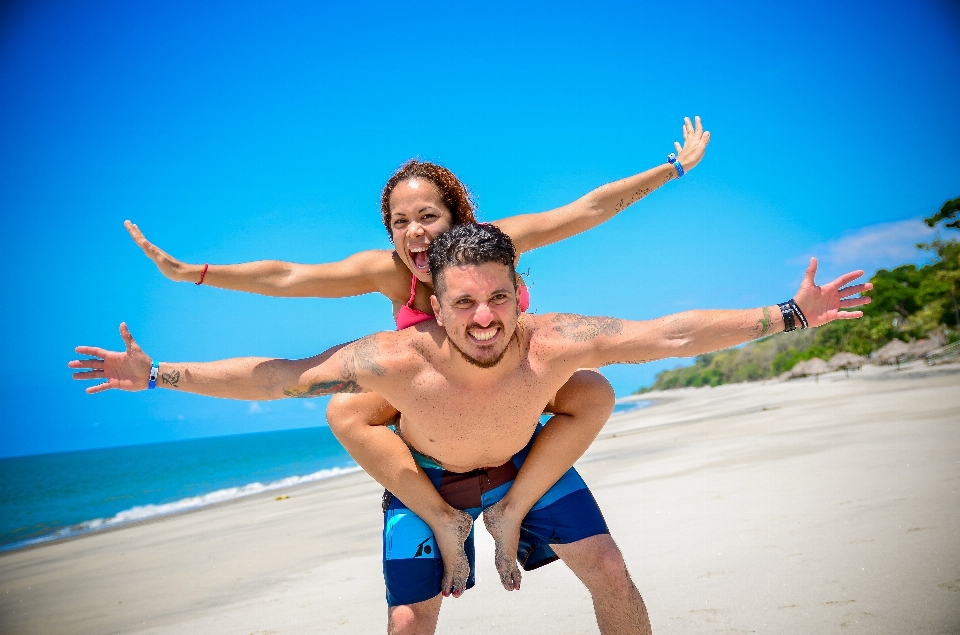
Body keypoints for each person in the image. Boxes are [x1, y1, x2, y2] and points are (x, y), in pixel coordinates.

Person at [71, 223, 872, 635]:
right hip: (430, 474)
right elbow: (280, 375)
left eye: (498, 297)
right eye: (463, 302)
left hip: (525, 459)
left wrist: (793, 312)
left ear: (521, 290)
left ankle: (511, 511)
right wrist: (158, 373)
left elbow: (671, 333)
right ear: (435, 302)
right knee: (407, 623)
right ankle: (453, 523)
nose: (484, 318)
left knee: (613, 573)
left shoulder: (556, 337)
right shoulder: (392, 358)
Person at [123, 117, 712, 594]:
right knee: (346, 408)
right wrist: (191, 273)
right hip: (436, 411)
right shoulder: (388, 270)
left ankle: (513, 512)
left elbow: (584, 211)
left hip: (512, 392)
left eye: (428, 216)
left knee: (590, 389)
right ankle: (442, 519)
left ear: (458, 218)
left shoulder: (492, 244)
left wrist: (671, 168)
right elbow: (288, 275)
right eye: (400, 222)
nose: (415, 233)